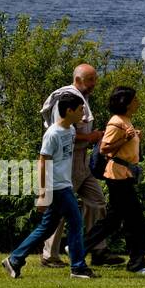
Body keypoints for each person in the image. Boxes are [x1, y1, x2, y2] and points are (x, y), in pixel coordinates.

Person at [2, 94, 99, 279]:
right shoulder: (52, 134)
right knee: (77, 223)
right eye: (80, 110)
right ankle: (78, 267)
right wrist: (42, 194)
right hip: (57, 187)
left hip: (65, 184)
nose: (84, 115)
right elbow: (43, 162)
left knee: (46, 228)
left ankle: (14, 259)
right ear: (69, 111)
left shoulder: (70, 130)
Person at [39, 64, 120, 267]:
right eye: (90, 80)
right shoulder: (67, 99)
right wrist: (92, 137)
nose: (94, 84)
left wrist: (92, 139)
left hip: (83, 161)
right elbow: (63, 133)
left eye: (94, 79)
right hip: (68, 162)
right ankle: (50, 255)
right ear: (78, 80)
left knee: (97, 201)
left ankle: (98, 250)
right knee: (59, 209)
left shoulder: (82, 98)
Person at [85, 86, 145, 275]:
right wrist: (125, 139)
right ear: (126, 103)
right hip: (118, 177)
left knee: (113, 221)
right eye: (135, 99)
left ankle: (79, 247)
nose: (137, 102)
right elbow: (104, 148)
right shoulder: (116, 122)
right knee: (136, 222)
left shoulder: (124, 120)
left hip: (123, 176)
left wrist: (133, 138)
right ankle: (137, 264)